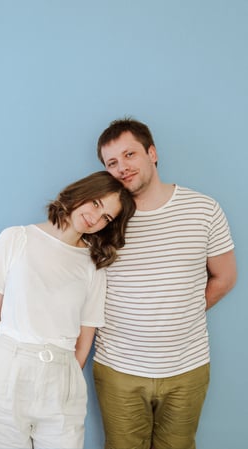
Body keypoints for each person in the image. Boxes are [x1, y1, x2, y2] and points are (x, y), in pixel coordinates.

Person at [93, 118, 237, 449]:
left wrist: (180, 312)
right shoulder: (102, 219)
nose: (122, 168)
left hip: (188, 367)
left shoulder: (204, 209)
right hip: (118, 368)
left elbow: (225, 277)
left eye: (129, 155)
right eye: (112, 162)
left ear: (152, 153)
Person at [0, 170, 136, 449]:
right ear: (82, 192)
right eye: (96, 203)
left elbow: (86, 336)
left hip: (62, 380)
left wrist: (64, 375)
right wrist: (9, 362)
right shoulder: (15, 238)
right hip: (6, 370)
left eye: (107, 217)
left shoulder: (93, 266)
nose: (96, 218)